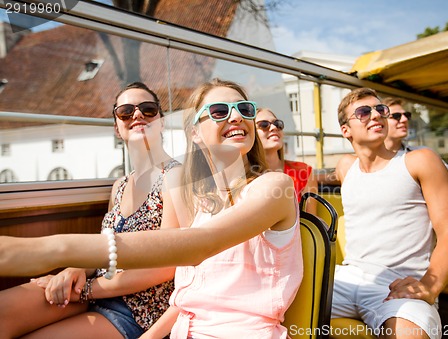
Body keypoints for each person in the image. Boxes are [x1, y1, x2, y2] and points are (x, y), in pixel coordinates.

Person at [0, 78, 303, 339]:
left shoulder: (274, 187)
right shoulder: (203, 203)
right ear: (195, 133)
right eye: (220, 111)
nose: (236, 117)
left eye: (244, 110)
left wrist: (58, 250)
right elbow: (187, 299)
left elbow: (198, 246)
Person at [0, 82, 181, 339]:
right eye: (126, 112)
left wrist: (85, 290)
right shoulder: (119, 186)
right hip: (93, 290)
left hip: (138, 311)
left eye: (148, 109)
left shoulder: (174, 176)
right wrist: (74, 271)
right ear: (118, 128)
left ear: (161, 122)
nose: (137, 115)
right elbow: (104, 249)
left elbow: (168, 265)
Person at [332, 88, 448, 338]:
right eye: (363, 112)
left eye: (380, 110)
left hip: (397, 283)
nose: (375, 116)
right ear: (346, 131)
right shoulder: (345, 166)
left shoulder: (419, 161)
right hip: (346, 277)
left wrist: (429, 286)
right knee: (274, 307)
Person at [382, 97, 448, 184]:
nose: (404, 119)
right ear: (379, 122)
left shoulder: (423, 154)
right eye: (396, 116)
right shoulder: (369, 160)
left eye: (407, 115)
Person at [256, 107, 318, 213]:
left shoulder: (303, 172)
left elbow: (311, 223)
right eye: (264, 125)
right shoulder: (245, 177)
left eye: (278, 124)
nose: (274, 128)